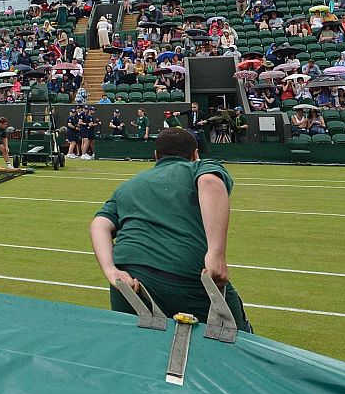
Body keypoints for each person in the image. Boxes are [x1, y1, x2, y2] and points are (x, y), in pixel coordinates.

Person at [88, 127, 252, 332]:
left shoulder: (127, 186)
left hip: (130, 281)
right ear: (195, 155)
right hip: (188, 277)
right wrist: (216, 253)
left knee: (140, 352)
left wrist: (111, 271)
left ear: (156, 156)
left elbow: (99, 224)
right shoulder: (199, 168)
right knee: (237, 344)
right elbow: (210, 181)